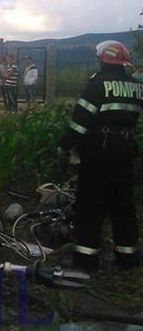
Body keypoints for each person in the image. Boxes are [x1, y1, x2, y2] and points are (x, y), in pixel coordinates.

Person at [58, 41, 142, 271]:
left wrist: (65, 145)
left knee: (90, 204)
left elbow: (80, 121)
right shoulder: (136, 86)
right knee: (123, 204)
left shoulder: (97, 85)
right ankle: (128, 258)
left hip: (98, 151)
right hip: (125, 151)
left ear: (103, 59)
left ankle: (85, 259)